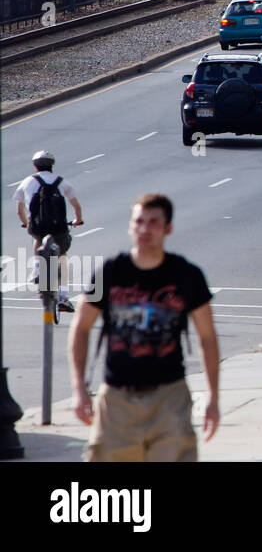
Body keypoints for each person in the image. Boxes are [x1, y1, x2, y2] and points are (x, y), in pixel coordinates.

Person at [68, 193, 219, 461]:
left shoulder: (186, 274)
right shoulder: (110, 272)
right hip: (117, 398)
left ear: (167, 228)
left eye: (153, 222)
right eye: (139, 221)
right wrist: (79, 388)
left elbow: (207, 337)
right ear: (130, 226)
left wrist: (213, 397)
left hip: (170, 396)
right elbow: (80, 327)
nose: (144, 229)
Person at [13, 150, 85, 312]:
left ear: (35, 166)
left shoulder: (27, 182)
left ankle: (37, 268)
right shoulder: (62, 182)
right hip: (59, 228)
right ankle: (64, 296)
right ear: (52, 165)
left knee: (37, 239)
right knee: (63, 255)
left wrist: (26, 224)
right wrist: (77, 220)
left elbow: (19, 209)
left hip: (37, 226)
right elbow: (76, 206)